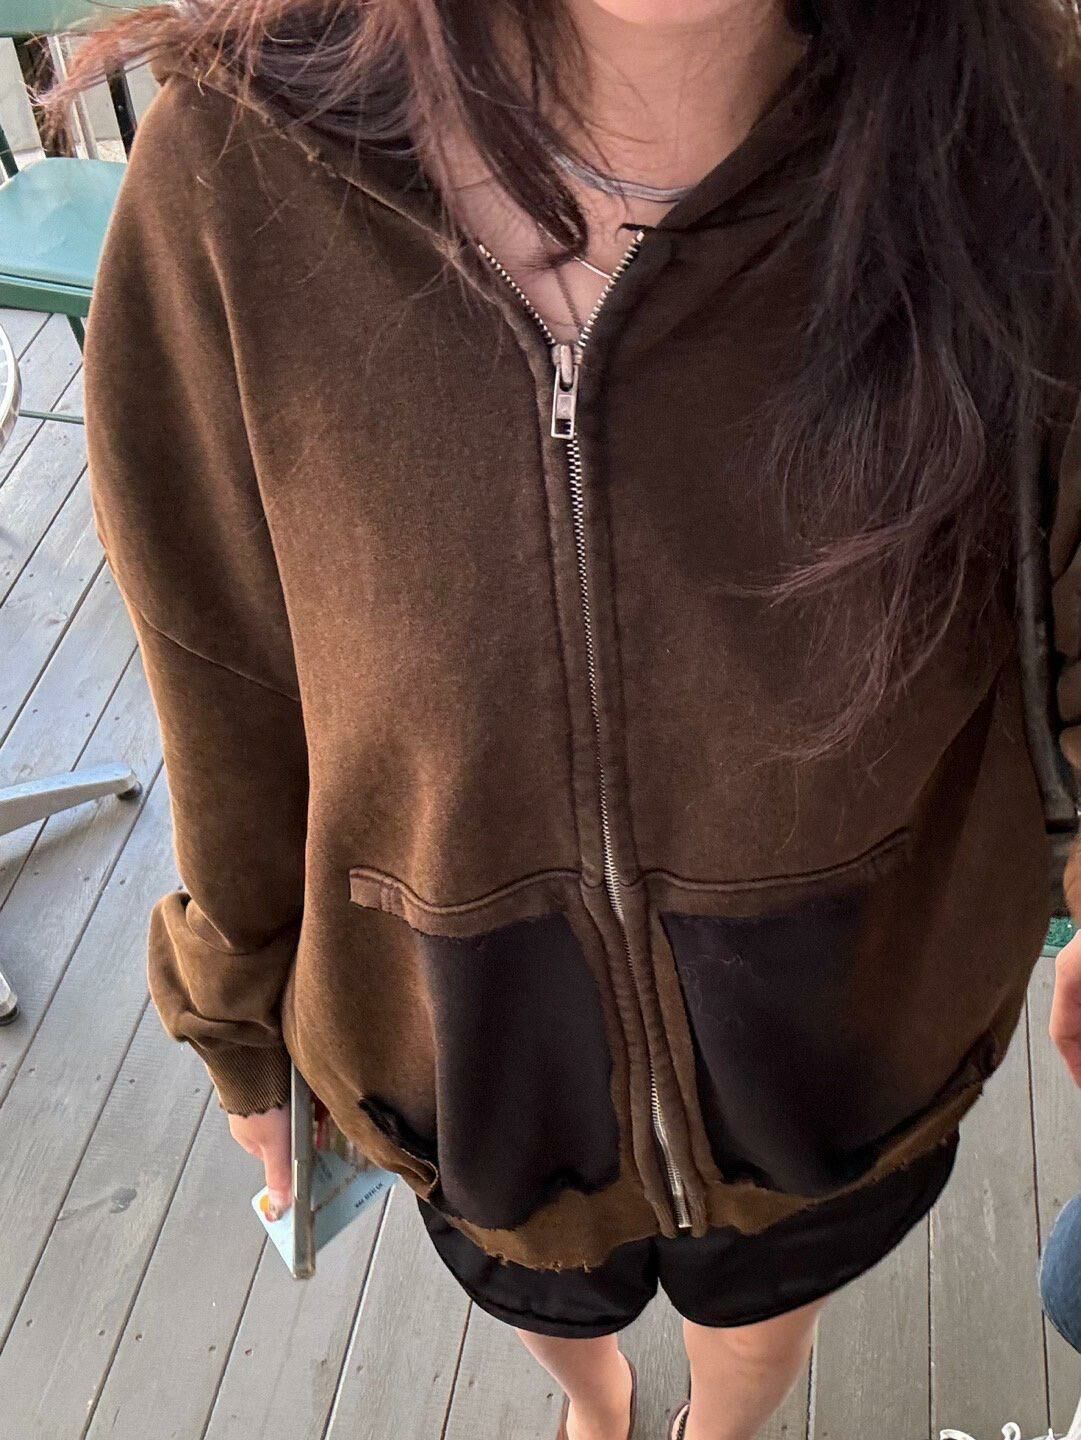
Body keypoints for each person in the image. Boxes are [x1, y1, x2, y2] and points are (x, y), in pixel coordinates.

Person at [50, 0, 1081, 1436]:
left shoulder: (1027, 130)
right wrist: (237, 1021)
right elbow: (218, 678)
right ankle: (597, 1411)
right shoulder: (232, 169)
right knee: (545, 1307)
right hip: (462, 1058)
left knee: (758, 1327)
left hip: (846, 1044)